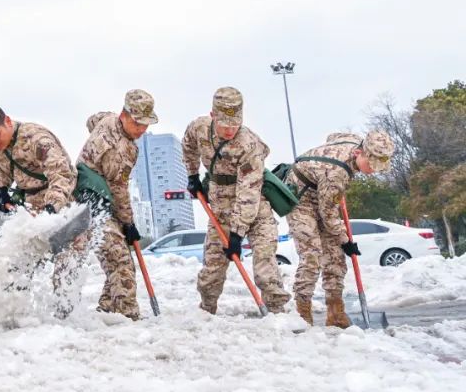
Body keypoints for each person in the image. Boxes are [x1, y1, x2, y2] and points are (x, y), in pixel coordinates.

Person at [0, 97, 81, 316]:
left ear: (7, 122)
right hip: (32, 206)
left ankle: (66, 318)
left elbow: (61, 174)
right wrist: (1, 190)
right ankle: (16, 314)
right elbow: (0, 169)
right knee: (20, 263)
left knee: (66, 265)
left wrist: (52, 208)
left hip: (64, 204)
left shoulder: (38, 138)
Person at [182, 87, 290, 315]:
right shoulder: (199, 128)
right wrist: (192, 175)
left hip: (255, 208)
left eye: (235, 125)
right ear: (212, 116)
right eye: (225, 125)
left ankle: (278, 314)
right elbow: (188, 146)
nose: (230, 130)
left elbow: (248, 193)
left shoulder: (248, 145)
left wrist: (237, 234)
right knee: (211, 271)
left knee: (265, 265)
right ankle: (206, 312)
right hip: (220, 209)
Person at [285, 131, 394, 326]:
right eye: (370, 165)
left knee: (335, 256)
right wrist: (346, 240)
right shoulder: (337, 173)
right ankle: (302, 313)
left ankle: (335, 313)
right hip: (300, 200)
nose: (372, 171)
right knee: (312, 255)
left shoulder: (354, 141)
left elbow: (333, 136)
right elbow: (328, 215)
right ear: (359, 153)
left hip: (323, 191)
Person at [77, 90, 158, 320]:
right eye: (137, 123)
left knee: (116, 259)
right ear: (124, 115)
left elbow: (91, 120)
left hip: (90, 200)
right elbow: (118, 189)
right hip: (94, 206)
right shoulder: (120, 150)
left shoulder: (107, 119)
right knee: (121, 262)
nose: (142, 129)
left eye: (146, 123)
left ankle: (108, 310)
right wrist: (128, 223)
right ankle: (128, 316)